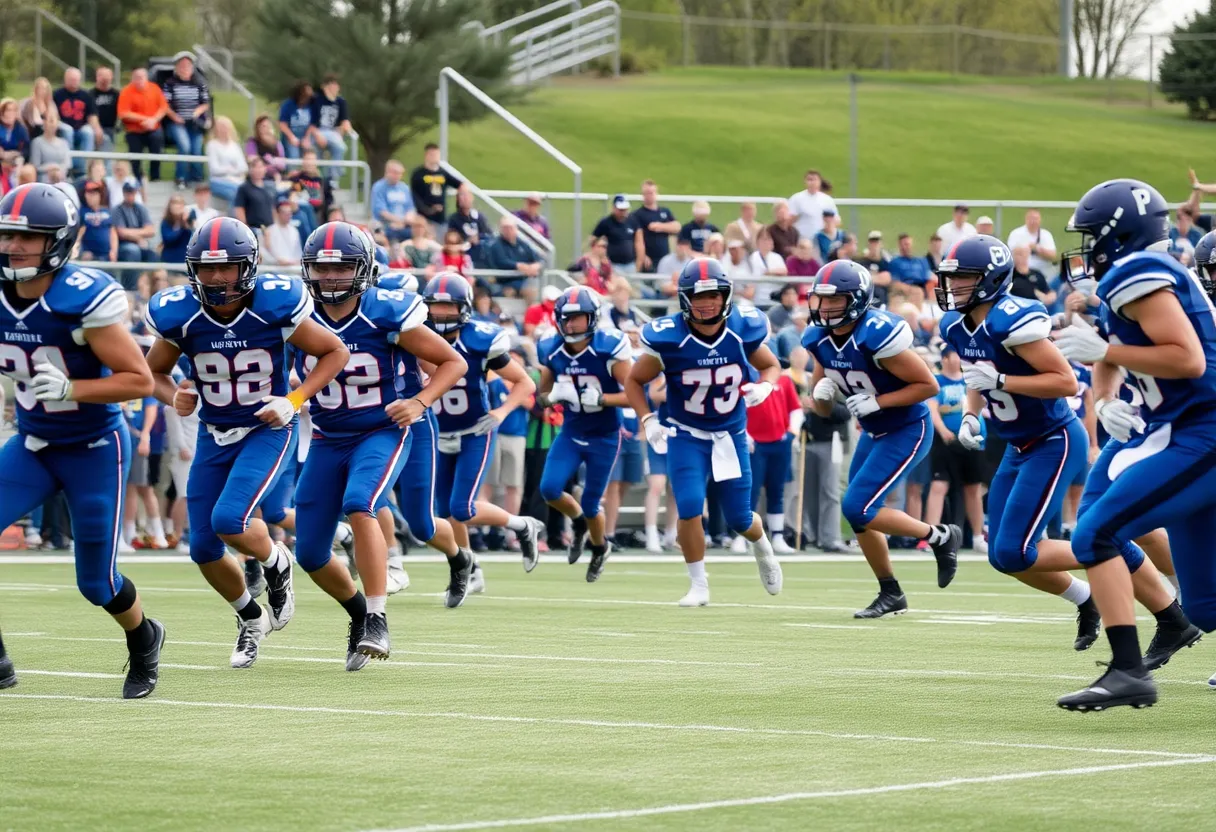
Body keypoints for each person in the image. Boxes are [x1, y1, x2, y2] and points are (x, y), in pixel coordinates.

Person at [940, 232, 1186, 672]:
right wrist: (971, 414)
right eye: (952, 278)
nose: (953, 286)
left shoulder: (1010, 319)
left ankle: (1156, 599)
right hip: (1019, 445)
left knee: (1020, 551)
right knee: (1001, 554)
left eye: (963, 278)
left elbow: (1066, 382)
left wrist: (1001, 385)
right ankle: (1119, 603)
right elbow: (977, 376)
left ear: (990, 279)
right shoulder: (957, 326)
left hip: (1053, 440)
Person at [143, 217, 350, 668]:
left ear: (249, 266)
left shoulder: (274, 305)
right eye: (207, 268)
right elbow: (151, 372)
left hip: (266, 428)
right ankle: (249, 617)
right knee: (202, 547)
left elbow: (336, 351)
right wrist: (173, 392)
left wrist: (294, 399)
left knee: (228, 519)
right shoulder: (180, 314)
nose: (217, 278)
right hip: (215, 435)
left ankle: (277, 562)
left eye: (228, 267)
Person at [0, 182, 163, 698]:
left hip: (93, 447)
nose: (14, 246)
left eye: (29, 237)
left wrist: (75, 387)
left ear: (60, 241)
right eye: (8, 235)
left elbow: (140, 380)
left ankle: (144, 639)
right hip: (31, 443)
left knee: (97, 584)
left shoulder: (82, 297)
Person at [1054, 179, 1211, 711]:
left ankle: (1127, 672)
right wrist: (1103, 400)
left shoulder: (1137, 272)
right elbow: (1110, 356)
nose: (1085, 246)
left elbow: (1187, 358)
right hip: (1169, 427)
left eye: (1092, 235)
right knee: (1208, 604)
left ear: (1118, 233)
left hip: (1201, 431)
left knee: (1096, 531)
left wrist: (1108, 346)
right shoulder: (1134, 278)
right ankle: (1170, 626)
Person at [292, 222, 465, 667]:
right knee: (310, 553)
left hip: (382, 428)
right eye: (321, 268)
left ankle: (376, 616)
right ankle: (356, 615)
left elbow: (452, 361)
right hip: (329, 437)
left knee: (361, 501)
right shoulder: (295, 315)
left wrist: (421, 400)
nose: (330, 277)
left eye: (341, 267)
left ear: (363, 269)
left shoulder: (385, 311)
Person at [803, 259, 961, 618]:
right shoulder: (817, 340)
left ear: (856, 301)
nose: (825, 308)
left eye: (835, 301)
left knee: (857, 506)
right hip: (875, 431)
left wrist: (879, 400)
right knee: (860, 516)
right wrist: (823, 396)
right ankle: (891, 592)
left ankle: (940, 536)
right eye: (821, 300)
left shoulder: (876, 333)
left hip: (907, 427)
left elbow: (928, 386)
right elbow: (823, 412)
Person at [625, 259, 785, 606]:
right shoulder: (669, 337)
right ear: (684, 299)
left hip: (730, 434)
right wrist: (648, 420)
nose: (706, 303)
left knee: (740, 517)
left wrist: (767, 386)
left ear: (726, 295)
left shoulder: (743, 329)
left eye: (713, 295)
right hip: (686, 434)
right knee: (689, 507)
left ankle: (762, 547)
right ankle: (699, 583)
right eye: (698, 297)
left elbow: (771, 365)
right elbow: (634, 380)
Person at [422, 273, 545, 576]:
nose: (441, 314)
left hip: (474, 432)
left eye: (448, 307)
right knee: (448, 512)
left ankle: (522, 525)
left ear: (463, 307)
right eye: (436, 307)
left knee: (462, 507)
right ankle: (469, 569)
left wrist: (501, 412)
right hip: (440, 432)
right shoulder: (418, 337)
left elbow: (524, 382)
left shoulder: (478, 339)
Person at [375, 270, 483, 605]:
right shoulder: (353, 320)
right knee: (365, 496)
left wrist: (419, 393)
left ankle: (459, 557)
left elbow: (444, 367)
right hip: (368, 427)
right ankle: (391, 559)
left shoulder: (402, 326)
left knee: (422, 524)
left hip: (414, 424)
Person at [535, 287, 631, 578]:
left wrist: (604, 399)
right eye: (567, 318)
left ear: (592, 318)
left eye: (579, 318)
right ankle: (577, 522)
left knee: (591, 503)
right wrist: (552, 397)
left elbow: (637, 395)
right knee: (549, 489)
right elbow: (542, 394)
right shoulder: (551, 348)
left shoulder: (608, 346)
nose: (572, 324)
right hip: (572, 431)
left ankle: (600, 548)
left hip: (605, 435)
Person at [923, 344, 988, 553]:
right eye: (955, 355)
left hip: (973, 441)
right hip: (946, 442)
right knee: (939, 485)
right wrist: (943, 431)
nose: (959, 359)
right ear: (945, 358)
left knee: (973, 488)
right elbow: (932, 409)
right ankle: (931, 535)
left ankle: (978, 537)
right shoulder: (937, 382)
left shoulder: (970, 380)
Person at [738, 367, 801, 554]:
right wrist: (745, 435)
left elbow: (795, 409)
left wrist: (791, 433)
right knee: (751, 490)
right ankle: (743, 537)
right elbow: (734, 411)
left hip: (780, 442)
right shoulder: (744, 381)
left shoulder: (784, 381)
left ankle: (777, 537)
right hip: (755, 445)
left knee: (777, 490)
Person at [160, 51, 211, 187]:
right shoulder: (169, 83)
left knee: (196, 149)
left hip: (195, 123)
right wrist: (175, 117)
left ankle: (197, 178)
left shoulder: (200, 83)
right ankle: (181, 177)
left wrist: (197, 112)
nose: (185, 68)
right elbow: (165, 105)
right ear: (176, 68)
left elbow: (205, 104)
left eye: (187, 65)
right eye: (181, 66)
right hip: (177, 122)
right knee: (185, 146)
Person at [116, 69, 168, 182]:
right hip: (134, 130)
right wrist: (145, 119)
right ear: (132, 78)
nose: (139, 80)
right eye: (137, 77)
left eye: (142, 77)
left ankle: (155, 177)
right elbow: (123, 113)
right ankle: (136, 178)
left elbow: (163, 108)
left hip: (153, 128)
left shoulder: (154, 88)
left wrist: (154, 120)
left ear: (146, 77)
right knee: (134, 153)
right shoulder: (126, 91)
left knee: (157, 145)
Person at [52, 68, 101, 176]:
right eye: (71, 79)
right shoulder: (57, 94)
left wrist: (97, 129)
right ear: (65, 79)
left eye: (76, 79)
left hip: (80, 127)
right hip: (63, 126)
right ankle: (69, 165)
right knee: (68, 130)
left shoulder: (86, 95)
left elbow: (92, 115)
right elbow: (53, 114)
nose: (73, 82)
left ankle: (83, 167)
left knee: (88, 132)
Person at [309, 74, 352, 181]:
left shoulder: (341, 102)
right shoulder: (317, 100)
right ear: (326, 87)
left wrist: (344, 129)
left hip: (332, 132)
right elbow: (312, 123)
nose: (336, 88)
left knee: (341, 148)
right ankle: (316, 181)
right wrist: (318, 135)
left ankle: (332, 177)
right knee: (316, 157)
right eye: (333, 85)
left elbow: (345, 121)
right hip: (317, 131)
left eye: (336, 85)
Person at [410, 143, 458, 237]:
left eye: (436, 155)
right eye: (432, 155)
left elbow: (459, 184)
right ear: (426, 155)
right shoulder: (418, 174)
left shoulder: (443, 173)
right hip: (424, 219)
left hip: (441, 218)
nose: (435, 157)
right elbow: (414, 196)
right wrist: (428, 210)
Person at [632, 180, 681, 272]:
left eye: (652, 193)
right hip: (648, 260)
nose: (649, 196)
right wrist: (643, 256)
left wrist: (659, 226)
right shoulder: (637, 215)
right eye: (647, 193)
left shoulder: (665, 212)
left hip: (664, 258)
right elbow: (635, 238)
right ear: (643, 195)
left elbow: (677, 227)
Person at [372, 160, 415, 244]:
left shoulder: (404, 188)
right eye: (395, 173)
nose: (398, 176)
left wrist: (405, 221)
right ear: (387, 172)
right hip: (385, 224)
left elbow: (410, 209)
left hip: (404, 224)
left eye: (400, 173)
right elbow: (381, 212)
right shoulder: (379, 187)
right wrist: (399, 221)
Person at [205, 115, 247, 204]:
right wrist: (232, 170)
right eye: (221, 127)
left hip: (236, 180)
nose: (224, 129)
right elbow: (214, 169)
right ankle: (233, 217)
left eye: (226, 126)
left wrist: (228, 170)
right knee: (236, 194)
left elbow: (243, 167)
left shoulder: (235, 146)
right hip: (218, 181)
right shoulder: (212, 145)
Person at [78, 181, 117, 263]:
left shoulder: (107, 212)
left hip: (107, 256)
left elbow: (112, 232)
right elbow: (79, 234)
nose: (92, 196)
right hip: (89, 256)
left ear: (100, 195)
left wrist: (113, 251)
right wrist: (80, 252)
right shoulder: (82, 212)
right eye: (89, 193)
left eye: (95, 193)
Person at [29, 110, 70, 183]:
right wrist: (50, 168)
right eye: (50, 121)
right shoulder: (37, 142)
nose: (52, 124)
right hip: (43, 178)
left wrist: (58, 169)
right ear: (44, 123)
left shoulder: (64, 143)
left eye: (54, 121)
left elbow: (67, 164)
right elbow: (35, 166)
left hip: (61, 177)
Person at [278, 80, 314, 160]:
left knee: (311, 154)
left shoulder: (312, 105)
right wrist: (291, 137)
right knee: (294, 156)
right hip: (291, 135)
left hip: (306, 135)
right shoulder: (288, 105)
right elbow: (282, 124)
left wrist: (307, 137)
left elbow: (313, 123)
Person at [245, 115, 287, 181]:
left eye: (268, 126)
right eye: (263, 126)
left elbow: (282, 162)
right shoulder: (252, 142)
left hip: (277, 174)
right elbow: (251, 159)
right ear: (258, 128)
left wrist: (273, 162)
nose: (266, 128)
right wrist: (266, 162)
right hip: (258, 175)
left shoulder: (277, 143)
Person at [158, 195, 191, 264]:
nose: (176, 206)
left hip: (185, 259)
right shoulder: (165, 222)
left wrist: (185, 222)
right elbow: (169, 239)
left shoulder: (188, 221)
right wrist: (180, 224)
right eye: (174, 203)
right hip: (169, 259)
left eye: (179, 203)